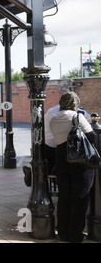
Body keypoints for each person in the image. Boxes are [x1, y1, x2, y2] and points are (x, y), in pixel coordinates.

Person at [49, 92, 97, 243]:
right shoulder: (77, 117)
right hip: (80, 163)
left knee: (64, 197)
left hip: (62, 161)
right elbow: (92, 137)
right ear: (75, 103)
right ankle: (75, 235)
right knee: (80, 198)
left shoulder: (54, 118)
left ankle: (62, 232)